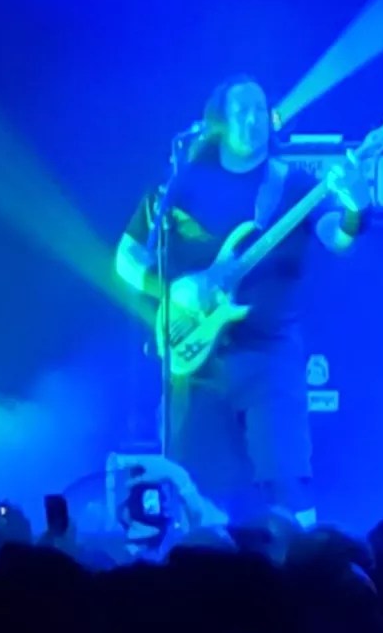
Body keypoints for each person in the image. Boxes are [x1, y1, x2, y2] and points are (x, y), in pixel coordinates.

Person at [113, 77, 365, 527]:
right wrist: (173, 289)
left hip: (270, 356)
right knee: (193, 488)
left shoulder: (292, 184)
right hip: (195, 361)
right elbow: (127, 258)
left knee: (286, 482)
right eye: (241, 109)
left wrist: (354, 209)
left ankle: (303, 561)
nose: (253, 118)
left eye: (260, 109)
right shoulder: (180, 186)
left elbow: (338, 238)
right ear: (221, 121)